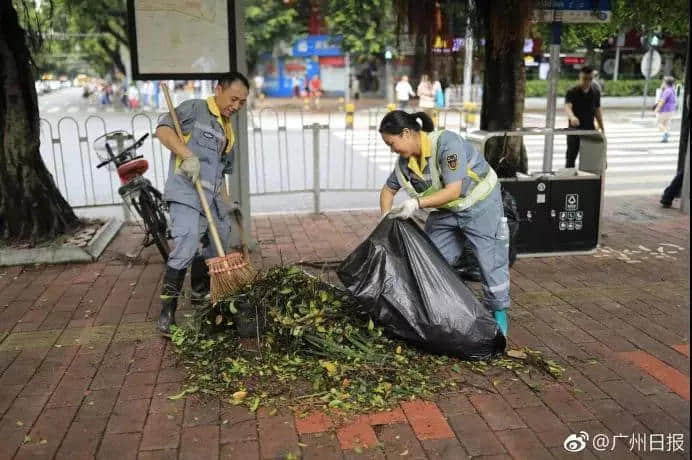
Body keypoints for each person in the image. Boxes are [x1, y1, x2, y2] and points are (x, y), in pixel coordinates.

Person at [378, 111, 510, 336]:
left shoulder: (447, 144)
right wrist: (385, 218)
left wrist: (416, 204)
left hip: (481, 205)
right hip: (448, 211)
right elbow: (387, 191)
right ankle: (439, 309)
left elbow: (454, 190)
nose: (392, 150)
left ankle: (499, 315)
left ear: (407, 133)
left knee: (490, 262)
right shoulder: (405, 165)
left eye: (392, 143)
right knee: (429, 257)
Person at [154, 72, 250, 333]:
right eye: (233, 99)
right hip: (187, 192)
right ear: (218, 89)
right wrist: (186, 155)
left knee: (216, 247)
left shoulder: (229, 130)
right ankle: (166, 314)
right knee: (186, 243)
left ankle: (200, 292)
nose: (236, 106)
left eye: (242, 102)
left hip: (213, 199)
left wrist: (228, 204)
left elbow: (221, 173)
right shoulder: (194, 108)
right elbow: (163, 130)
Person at [564, 66, 604, 168]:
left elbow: (597, 111)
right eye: (585, 79)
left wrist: (602, 128)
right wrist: (572, 117)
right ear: (580, 77)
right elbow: (567, 107)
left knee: (590, 158)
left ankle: (587, 181)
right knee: (570, 158)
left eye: (590, 79)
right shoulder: (572, 91)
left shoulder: (595, 92)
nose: (587, 82)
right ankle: (569, 179)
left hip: (589, 130)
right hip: (574, 130)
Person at [654, 76, 677, 143]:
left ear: (666, 83)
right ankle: (665, 138)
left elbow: (662, 101)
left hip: (665, 110)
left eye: (663, 82)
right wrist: (662, 88)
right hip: (671, 110)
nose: (662, 83)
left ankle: (666, 133)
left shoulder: (667, 91)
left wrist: (656, 109)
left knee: (658, 122)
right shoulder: (672, 90)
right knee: (666, 124)